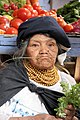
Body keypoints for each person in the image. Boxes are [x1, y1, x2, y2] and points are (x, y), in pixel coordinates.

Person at [0, 16, 79, 120]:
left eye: (50, 45)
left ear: (58, 50)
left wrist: (72, 117)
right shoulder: (9, 76)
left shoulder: (68, 82)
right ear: (25, 50)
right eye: (35, 45)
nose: (44, 50)